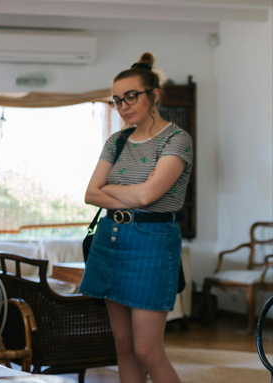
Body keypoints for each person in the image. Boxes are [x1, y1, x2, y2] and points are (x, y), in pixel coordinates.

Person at [81, 53, 190, 383]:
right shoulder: (116, 141)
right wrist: (129, 192)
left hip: (152, 244)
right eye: (117, 100)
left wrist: (112, 188)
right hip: (110, 240)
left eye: (131, 96)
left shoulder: (176, 139)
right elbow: (90, 194)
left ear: (153, 95)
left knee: (148, 350)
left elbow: (147, 196)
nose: (124, 105)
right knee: (124, 347)